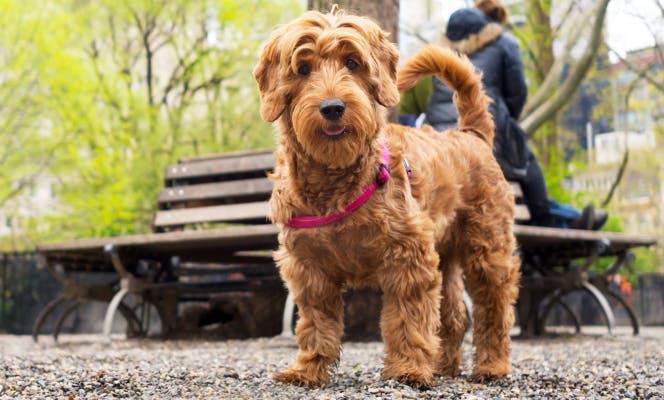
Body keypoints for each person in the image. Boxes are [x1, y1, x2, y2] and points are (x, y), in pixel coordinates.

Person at [399, 0, 607, 230]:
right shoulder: (505, 44)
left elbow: (410, 108)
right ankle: (557, 216)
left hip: (436, 146)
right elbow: (517, 96)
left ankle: (566, 217)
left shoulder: (436, 54)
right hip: (485, 142)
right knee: (525, 163)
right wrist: (504, 122)